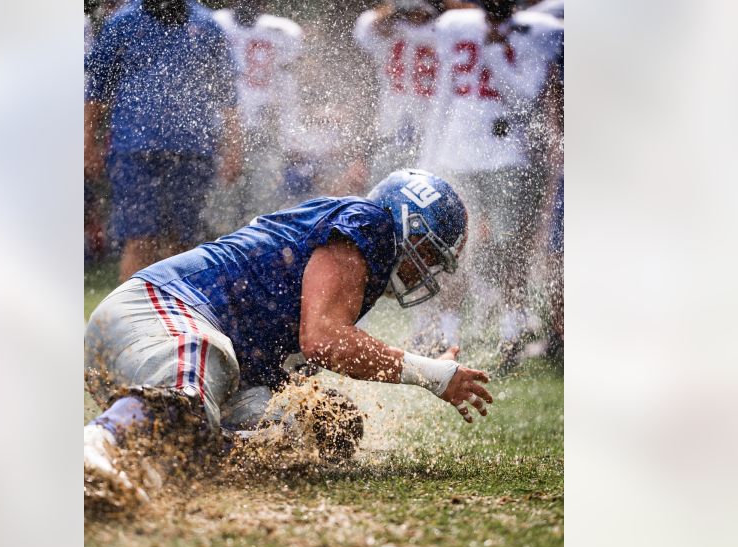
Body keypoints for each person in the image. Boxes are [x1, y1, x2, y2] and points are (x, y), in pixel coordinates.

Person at [84, 169, 495, 505]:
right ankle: (96, 447)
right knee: (192, 391)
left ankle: (137, 464)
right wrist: (431, 374)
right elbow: (324, 339)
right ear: (406, 222)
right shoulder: (370, 223)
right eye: (427, 252)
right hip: (162, 310)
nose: (425, 269)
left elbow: (294, 350)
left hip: (178, 348)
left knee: (299, 435)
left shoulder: (360, 259)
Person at [412, 0, 563, 370]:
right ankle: (449, 336)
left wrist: (494, 49)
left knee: (512, 249)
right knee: (452, 249)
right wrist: (428, 157)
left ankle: (511, 334)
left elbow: (524, 99)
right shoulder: (457, 25)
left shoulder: (536, 31)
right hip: (457, 154)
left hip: (507, 156)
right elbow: (444, 95)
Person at [84, 0, 244, 282]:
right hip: (135, 150)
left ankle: (177, 320)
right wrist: (88, 146)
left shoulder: (206, 24)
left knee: (184, 245)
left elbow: (227, 93)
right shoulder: (121, 23)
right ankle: (128, 321)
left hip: (193, 151)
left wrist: (234, 147)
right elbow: (96, 93)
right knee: (140, 240)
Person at [207, 0, 305, 236]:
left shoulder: (282, 31)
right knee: (221, 211)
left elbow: (290, 83)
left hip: (264, 131)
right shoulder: (215, 23)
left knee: (262, 209)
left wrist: (288, 130)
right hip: (222, 130)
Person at [352, 1, 443, 184]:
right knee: (385, 174)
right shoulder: (390, 27)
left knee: (426, 179)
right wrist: (398, 7)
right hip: (393, 115)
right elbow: (363, 27)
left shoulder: (442, 28)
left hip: (430, 117)